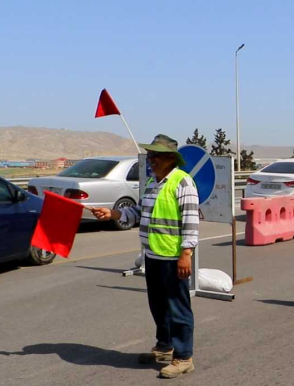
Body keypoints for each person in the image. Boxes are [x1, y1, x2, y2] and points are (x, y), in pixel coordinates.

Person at [90, 134, 199, 379]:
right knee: (158, 305)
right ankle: (164, 347)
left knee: (178, 308)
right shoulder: (151, 183)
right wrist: (112, 214)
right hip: (152, 254)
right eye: (149, 155)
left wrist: (186, 254)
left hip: (173, 256)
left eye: (155, 155)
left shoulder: (183, 183)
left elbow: (191, 221)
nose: (150, 160)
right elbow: (138, 212)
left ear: (171, 158)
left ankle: (183, 357)